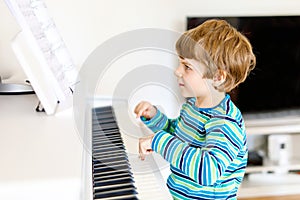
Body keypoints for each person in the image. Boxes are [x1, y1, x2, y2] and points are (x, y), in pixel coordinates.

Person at [134, 19, 256, 200]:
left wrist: (157, 141)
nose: (177, 71)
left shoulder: (224, 122)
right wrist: (155, 118)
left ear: (217, 76)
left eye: (187, 67)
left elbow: (207, 171)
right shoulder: (193, 106)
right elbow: (178, 137)